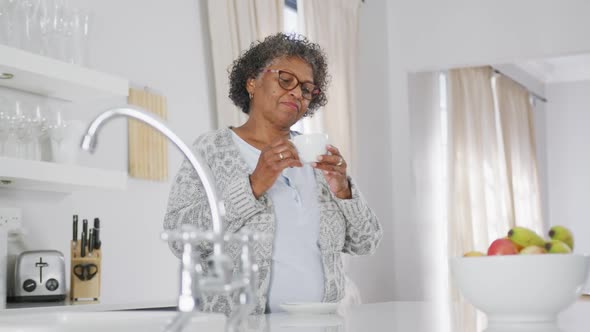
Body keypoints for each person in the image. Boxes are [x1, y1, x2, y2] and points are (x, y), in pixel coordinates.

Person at [163, 33, 382, 315]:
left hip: (322, 323)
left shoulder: (315, 157)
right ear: (252, 82)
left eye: (306, 89)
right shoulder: (212, 150)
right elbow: (179, 238)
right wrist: (252, 186)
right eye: (285, 79)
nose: (296, 93)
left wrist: (343, 190)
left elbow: (366, 242)